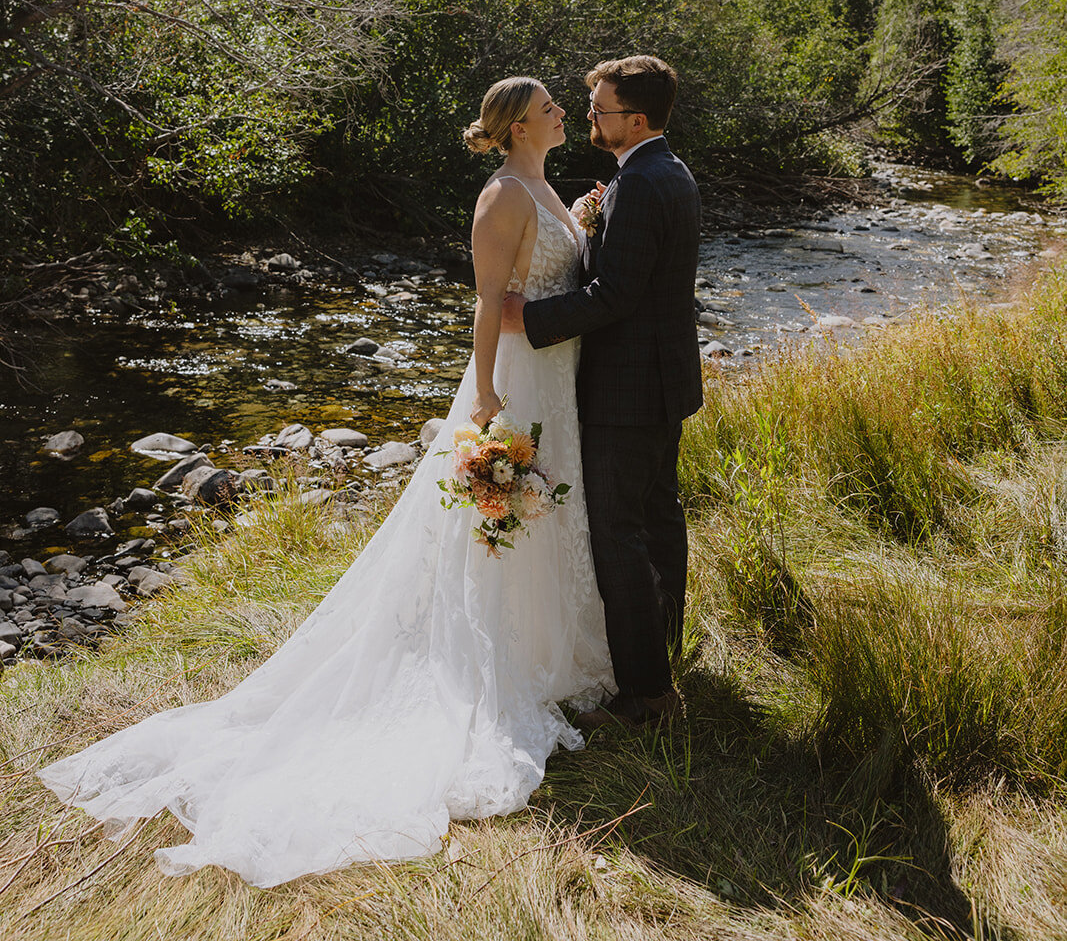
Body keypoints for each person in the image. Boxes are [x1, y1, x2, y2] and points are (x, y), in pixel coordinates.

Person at [38, 77, 613, 888]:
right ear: (519, 126)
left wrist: (583, 218)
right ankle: (499, 659)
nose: (564, 113)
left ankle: (551, 647)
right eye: (552, 107)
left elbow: (553, 271)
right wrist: (484, 393)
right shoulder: (499, 197)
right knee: (504, 513)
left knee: (545, 507)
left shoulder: (545, 185)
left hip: (560, 369)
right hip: (517, 374)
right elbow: (488, 301)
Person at [501, 56, 702, 727]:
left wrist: (526, 320)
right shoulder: (661, 171)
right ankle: (659, 659)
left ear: (635, 119)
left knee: (620, 534)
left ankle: (645, 696)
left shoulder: (641, 184)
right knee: (658, 523)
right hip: (660, 382)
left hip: (626, 389)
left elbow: (617, 294)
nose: (590, 117)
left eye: (600, 108)